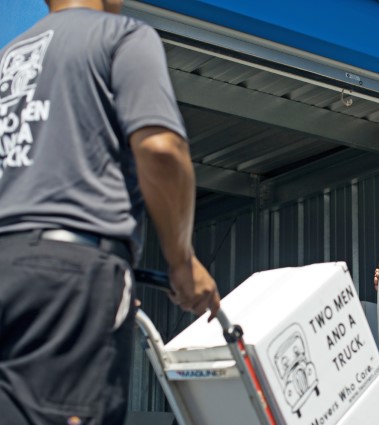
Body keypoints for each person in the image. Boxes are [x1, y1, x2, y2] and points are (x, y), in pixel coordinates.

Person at [0, 1, 220, 424]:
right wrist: (182, 261)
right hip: (69, 281)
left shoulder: (10, 56)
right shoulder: (121, 36)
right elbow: (161, 150)